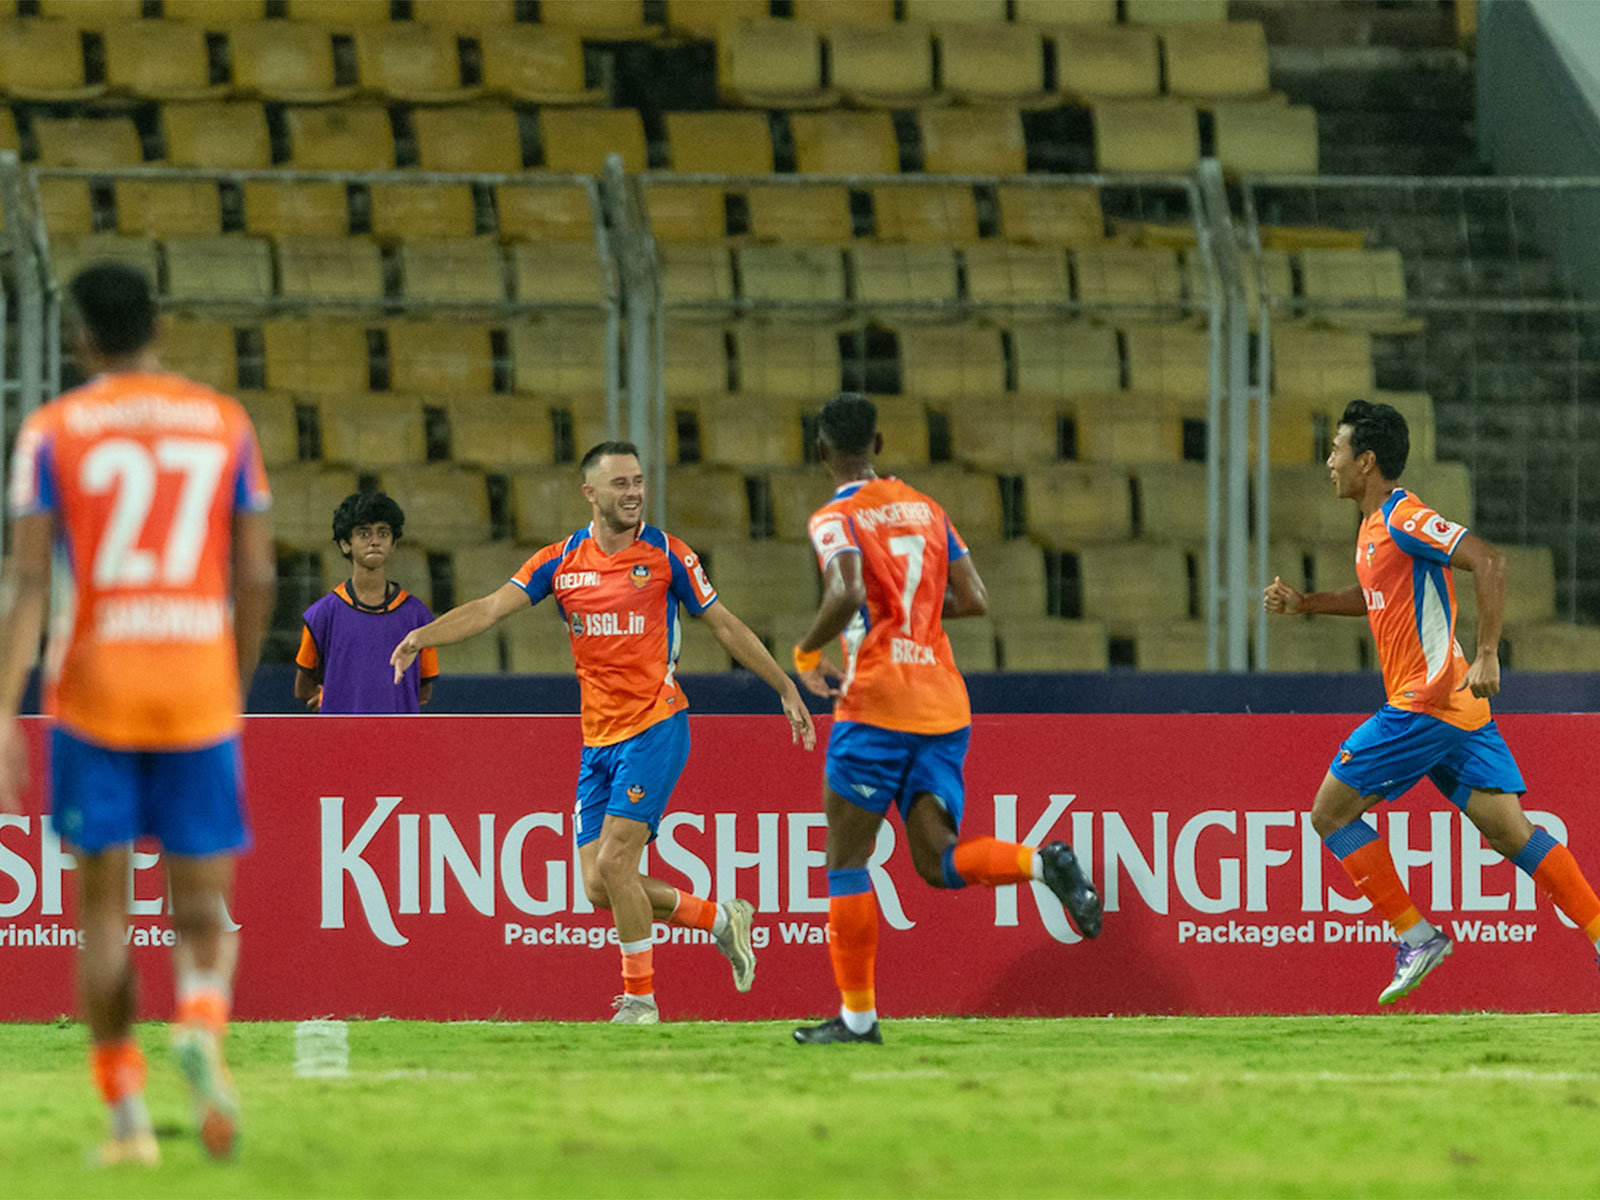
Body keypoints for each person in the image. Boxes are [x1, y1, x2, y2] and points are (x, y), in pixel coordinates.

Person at [0, 263, 276, 1164]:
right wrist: (227, 691)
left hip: (96, 693)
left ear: (81, 338)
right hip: (197, 686)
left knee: (106, 918)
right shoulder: (224, 424)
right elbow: (262, 576)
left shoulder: (53, 430)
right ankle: (199, 1018)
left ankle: (126, 1123)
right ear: (160, 322)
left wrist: (6, 707)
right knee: (201, 913)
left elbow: (30, 582)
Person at [390, 440, 816, 1023]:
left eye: (638, 482)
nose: (634, 492)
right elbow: (490, 608)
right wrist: (422, 637)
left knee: (617, 864)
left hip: (657, 724)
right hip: (598, 740)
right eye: (620, 484)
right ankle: (721, 919)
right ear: (590, 493)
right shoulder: (557, 563)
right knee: (599, 886)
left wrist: (785, 687)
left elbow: (725, 625)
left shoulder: (667, 554)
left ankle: (640, 1000)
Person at [789, 393, 1103, 1046]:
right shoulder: (928, 509)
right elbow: (975, 598)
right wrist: (915, 622)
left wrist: (807, 650)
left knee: (846, 860)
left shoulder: (834, 517)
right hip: (942, 705)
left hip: (876, 706)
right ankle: (1043, 866)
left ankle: (856, 1020)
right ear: (877, 446)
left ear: (821, 452)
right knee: (937, 862)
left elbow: (845, 588)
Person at [1264, 399, 1600, 1004]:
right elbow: (1375, 598)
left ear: (1367, 462)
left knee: (1329, 814)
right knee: (1510, 834)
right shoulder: (1372, 530)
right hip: (1457, 712)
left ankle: (1417, 937)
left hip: (1428, 703)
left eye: (1337, 450)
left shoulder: (1403, 516)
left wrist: (1489, 651)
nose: (1329, 462)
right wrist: (1306, 603)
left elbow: (1488, 560)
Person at [296, 491, 437, 713]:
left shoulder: (417, 615)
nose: (374, 541)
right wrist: (334, 696)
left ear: (393, 544)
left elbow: (424, 690)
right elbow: (303, 687)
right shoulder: (322, 614)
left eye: (383, 533)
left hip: (400, 739)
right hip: (341, 740)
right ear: (345, 544)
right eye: (364, 534)